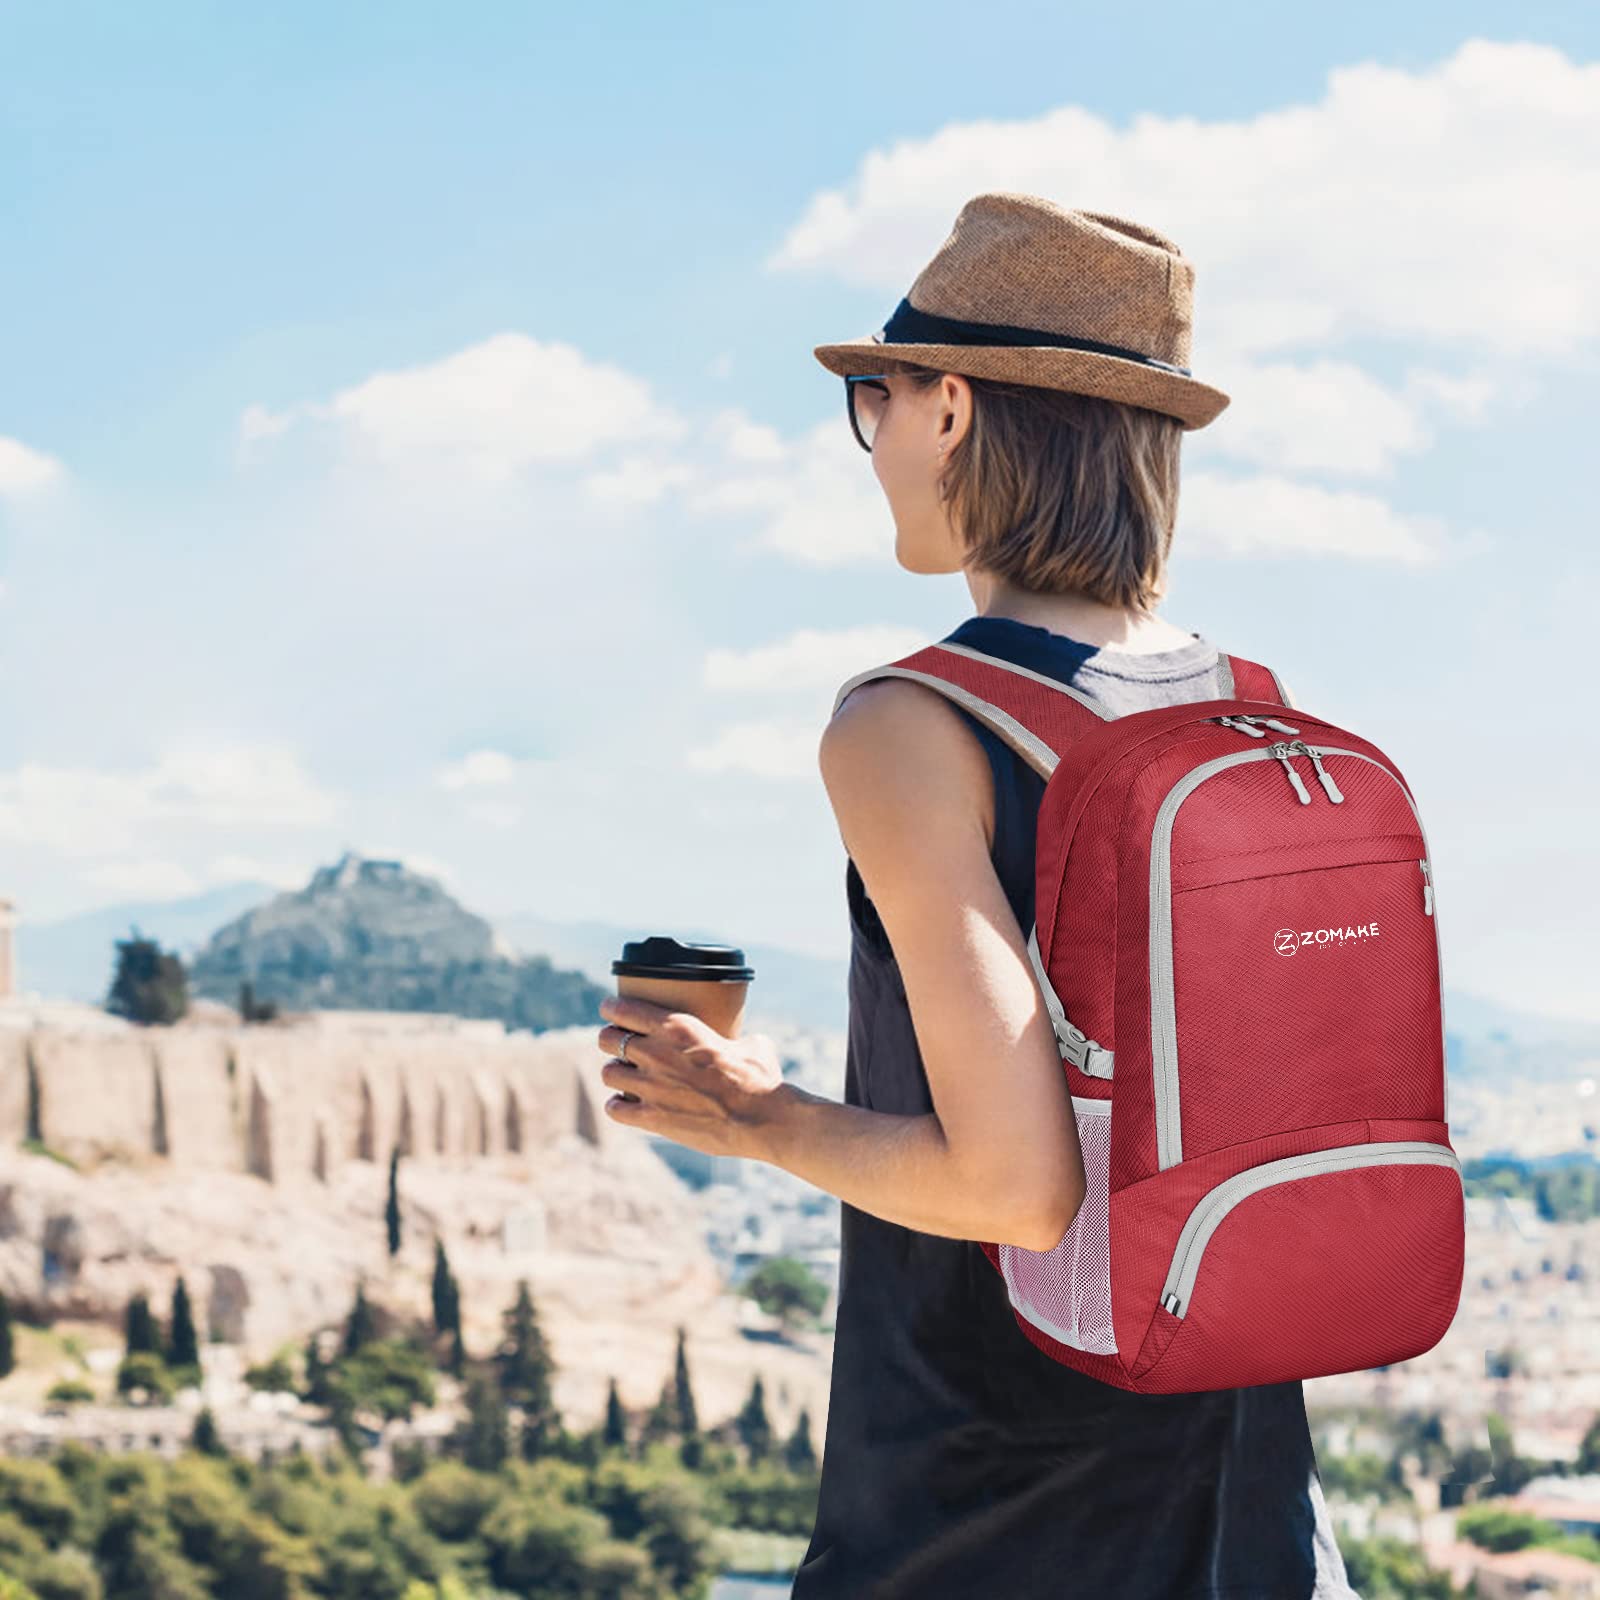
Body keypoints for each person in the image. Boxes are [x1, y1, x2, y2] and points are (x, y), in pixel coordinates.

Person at [595, 193, 1359, 1597]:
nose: (871, 438)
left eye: (872, 398)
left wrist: (753, 1117)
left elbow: (1013, 1186)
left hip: (990, 1513)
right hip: (1248, 1509)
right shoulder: (1254, 714)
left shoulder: (911, 726)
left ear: (952, 409)